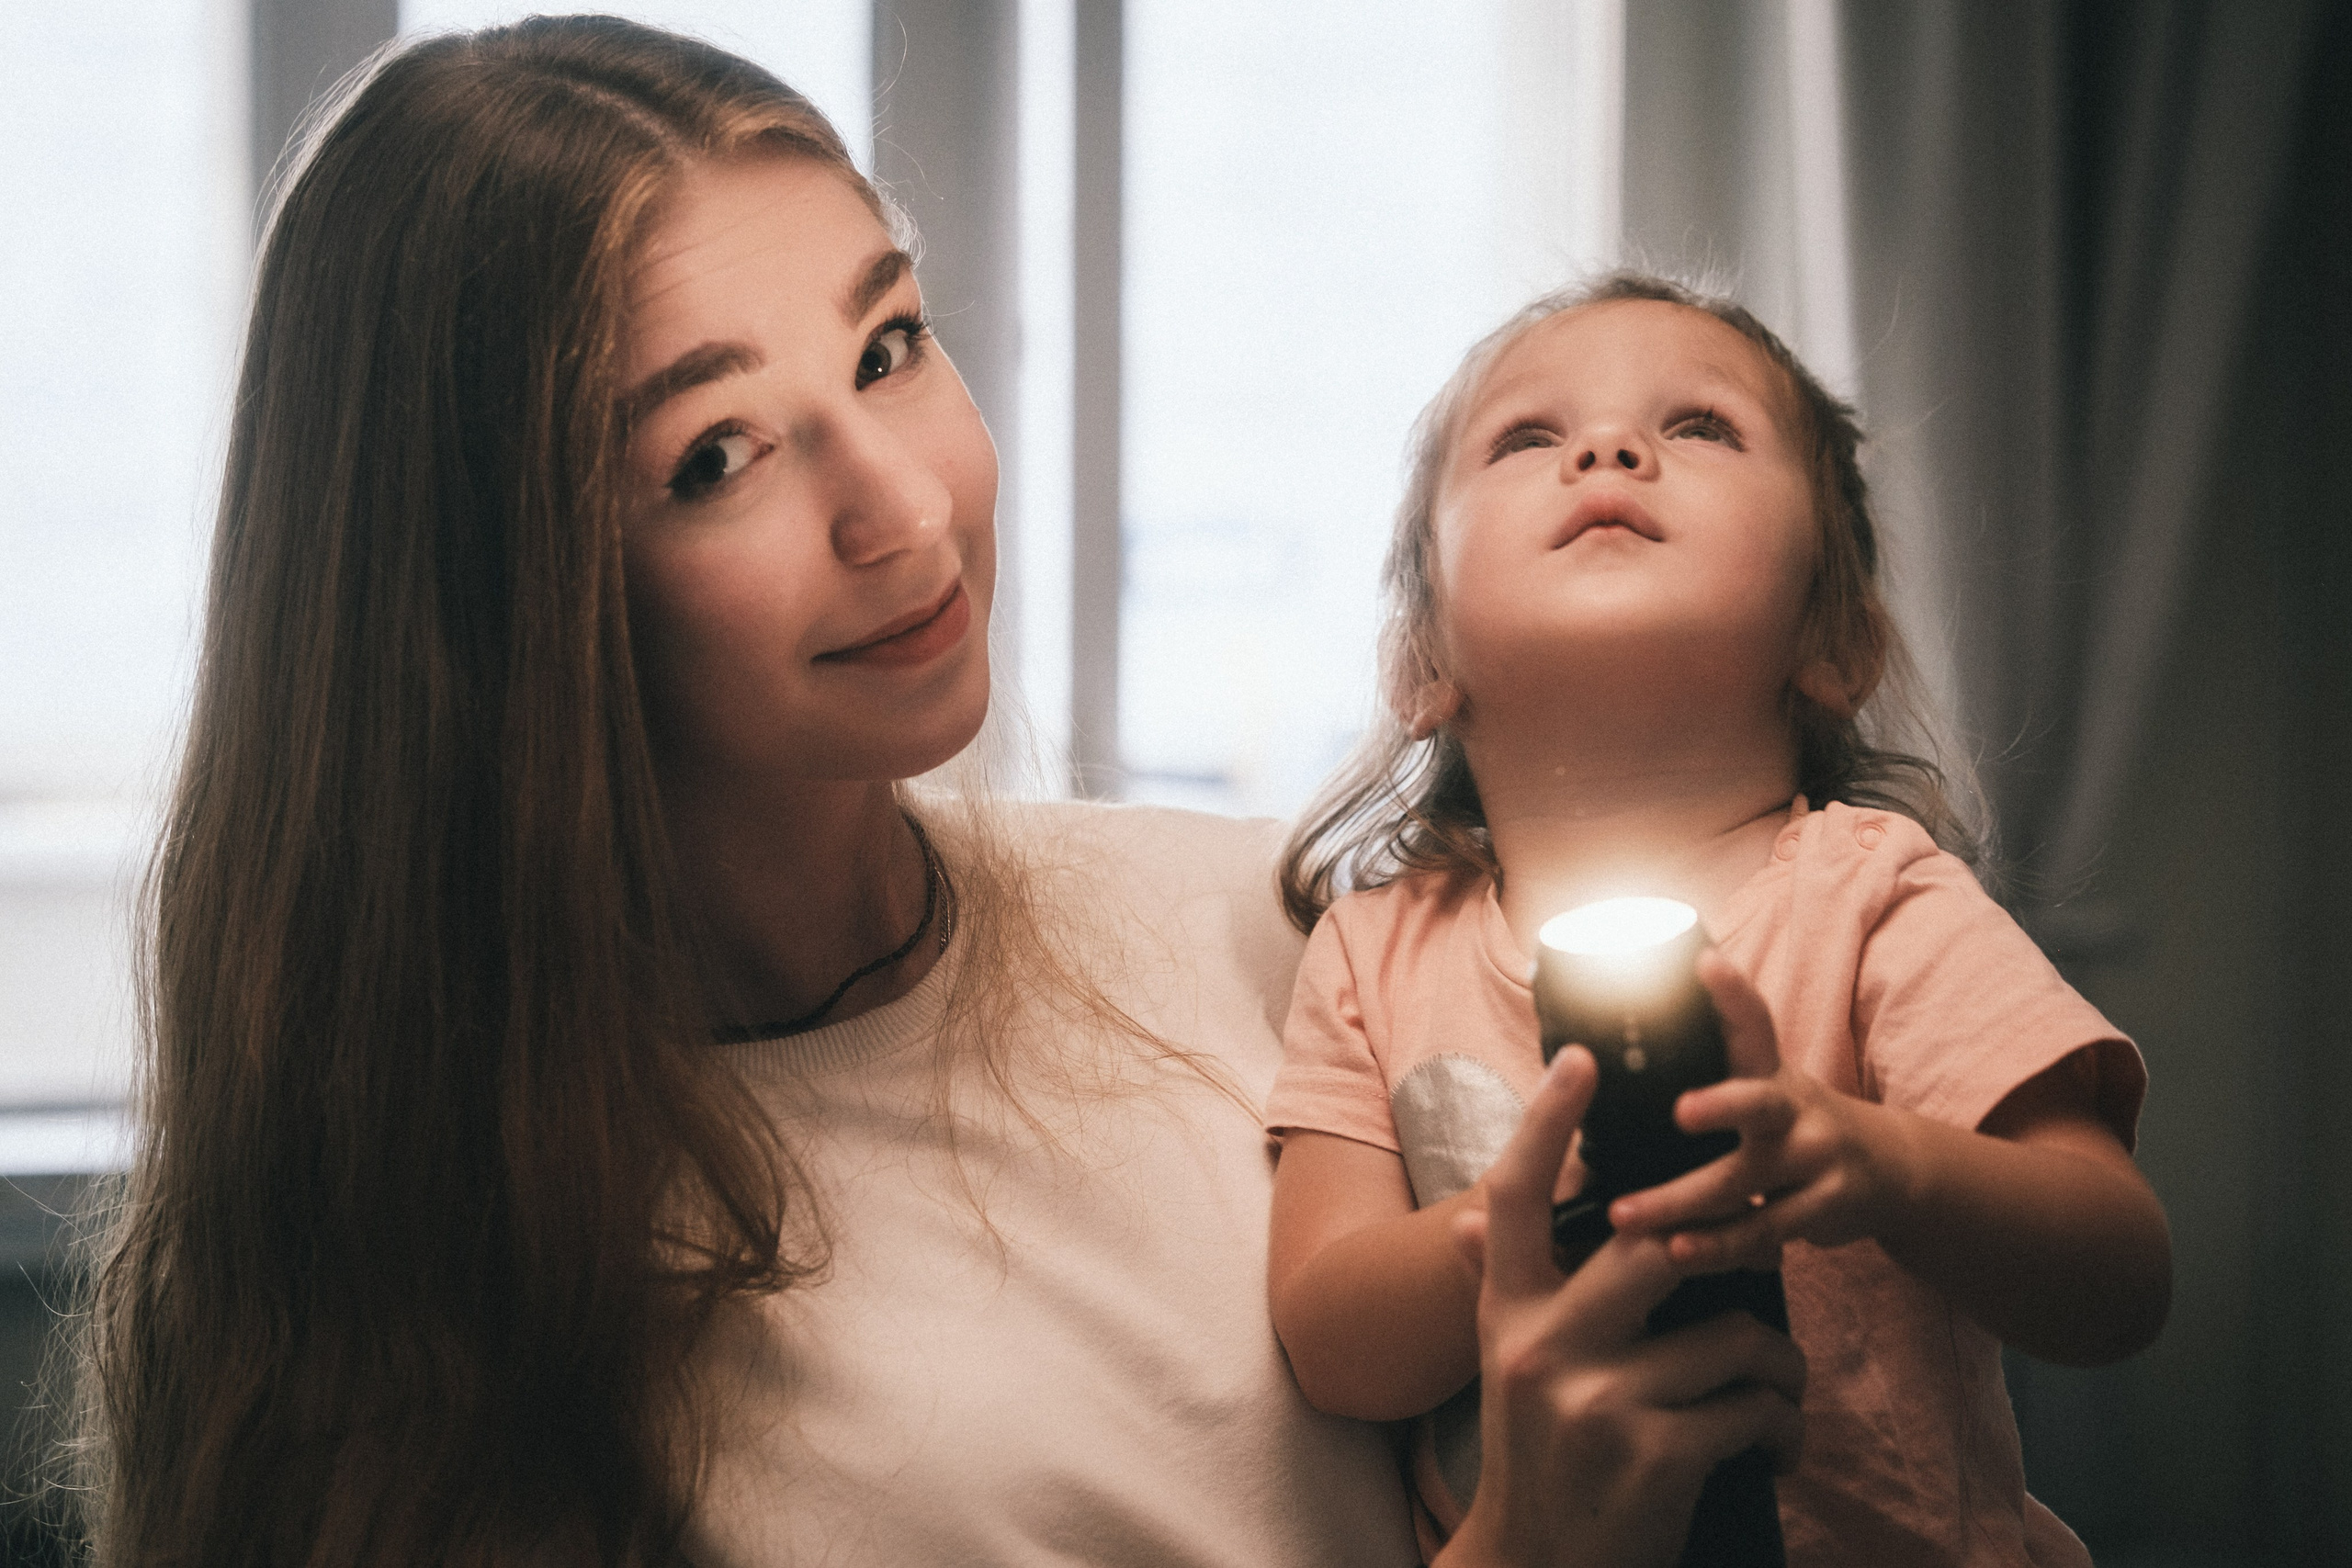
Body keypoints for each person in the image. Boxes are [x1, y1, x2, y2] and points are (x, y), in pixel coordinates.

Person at [79, 21, 1802, 1567]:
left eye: (889, 344)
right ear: (488, 602)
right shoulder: (442, 1304)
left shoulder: (1266, 932)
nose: (902, 505)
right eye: (716, 455)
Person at [1264, 275, 2175, 1563]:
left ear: (1834, 638)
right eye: (1528, 438)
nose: (1607, 450)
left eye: (1698, 427)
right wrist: (1544, 1208)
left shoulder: (1872, 897)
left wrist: (1877, 1162)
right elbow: (1329, 1334)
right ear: (1423, 661)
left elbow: (2119, 1271)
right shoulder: (1375, 950)